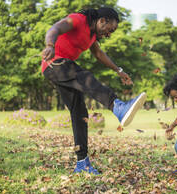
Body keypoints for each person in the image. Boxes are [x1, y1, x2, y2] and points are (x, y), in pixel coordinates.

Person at [41, 7, 147, 175]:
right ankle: (117, 106)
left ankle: (82, 163)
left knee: (80, 113)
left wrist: (118, 70)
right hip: (55, 64)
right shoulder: (77, 20)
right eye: (109, 29)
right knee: (85, 77)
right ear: (102, 20)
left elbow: (98, 53)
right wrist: (49, 45)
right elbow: (54, 28)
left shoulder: (92, 36)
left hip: (61, 69)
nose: (109, 34)